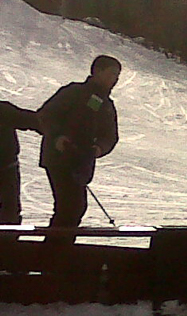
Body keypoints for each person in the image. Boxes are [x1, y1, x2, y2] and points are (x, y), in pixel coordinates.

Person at [37, 55, 121, 239]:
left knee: (75, 207)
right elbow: (45, 115)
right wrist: (58, 137)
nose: (114, 80)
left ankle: (56, 253)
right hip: (60, 157)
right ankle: (52, 255)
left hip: (82, 161)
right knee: (71, 206)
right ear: (97, 71)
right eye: (112, 74)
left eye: (117, 76)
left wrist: (98, 148)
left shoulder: (106, 104)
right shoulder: (74, 92)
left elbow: (110, 136)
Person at [0, 101, 42, 224]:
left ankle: (9, 240)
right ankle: (9, 240)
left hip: (7, 168)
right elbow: (34, 121)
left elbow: (33, 120)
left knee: (9, 211)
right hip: (7, 170)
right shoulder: (3, 110)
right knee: (9, 211)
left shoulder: (3, 110)